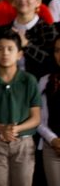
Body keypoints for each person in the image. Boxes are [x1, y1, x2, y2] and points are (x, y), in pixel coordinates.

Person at [0, 31, 40, 186]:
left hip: (23, 142)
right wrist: (1, 128)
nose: (5, 53)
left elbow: (36, 117)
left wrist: (16, 129)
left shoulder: (29, 80)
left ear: (19, 54)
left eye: (10, 49)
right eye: (0, 49)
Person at [38, 35, 60, 185]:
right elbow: (37, 118)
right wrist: (53, 139)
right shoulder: (45, 81)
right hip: (52, 146)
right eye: (58, 50)